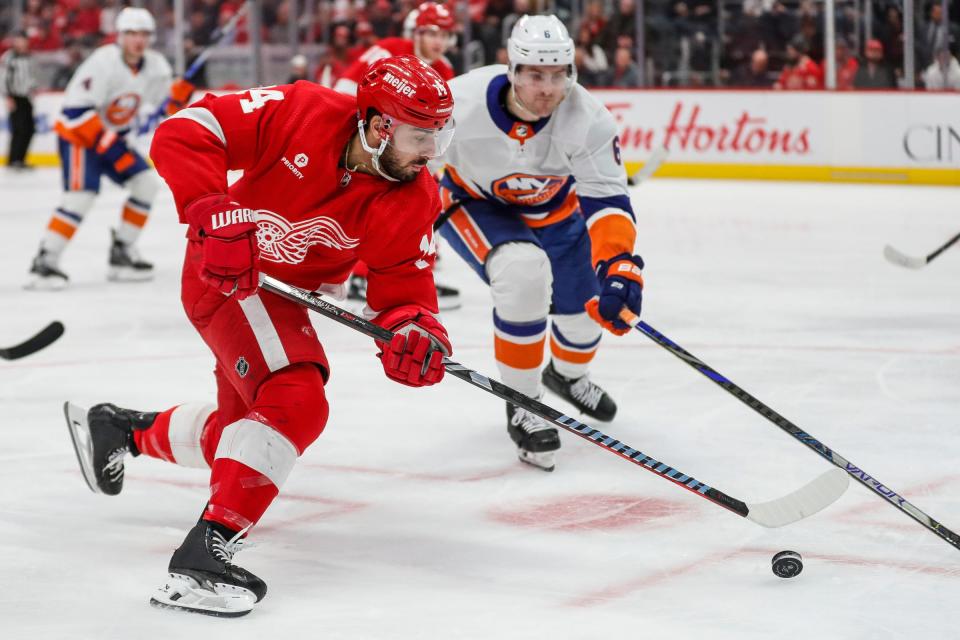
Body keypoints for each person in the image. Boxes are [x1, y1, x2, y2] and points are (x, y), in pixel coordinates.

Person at [64, 55, 455, 617]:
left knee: (239, 436)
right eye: (422, 136)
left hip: (280, 295)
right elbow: (186, 130)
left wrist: (415, 330)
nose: (430, 154)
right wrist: (210, 209)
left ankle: (121, 430)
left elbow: (403, 287)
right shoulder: (303, 110)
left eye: (440, 136)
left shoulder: (413, 194)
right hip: (225, 273)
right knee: (297, 398)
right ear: (379, 124)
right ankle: (205, 552)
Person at [433, 15, 643, 471]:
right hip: (475, 203)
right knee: (522, 273)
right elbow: (411, 161)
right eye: (534, 74)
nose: (547, 87)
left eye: (557, 74)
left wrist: (621, 265)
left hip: (557, 211)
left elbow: (607, 201)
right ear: (512, 70)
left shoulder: (588, 119)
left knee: (586, 309)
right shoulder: (459, 102)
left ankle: (567, 377)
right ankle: (523, 401)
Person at [25, 7, 195, 289]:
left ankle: (122, 252)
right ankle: (46, 259)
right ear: (120, 35)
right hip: (79, 137)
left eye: (143, 34)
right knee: (81, 196)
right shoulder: (102, 62)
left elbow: (164, 110)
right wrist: (112, 148)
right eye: (131, 33)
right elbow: (76, 111)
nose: (137, 40)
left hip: (114, 139)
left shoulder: (156, 66)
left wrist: (177, 99)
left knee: (145, 185)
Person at [334, 1, 462, 310]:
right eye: (432, 33)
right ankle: (363, 271)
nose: (439, 42)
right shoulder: (390, 48)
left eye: (445, 35)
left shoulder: (443, 69)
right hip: (365, 134)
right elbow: (346, 86)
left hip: (402, 145)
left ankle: (414, 266)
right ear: (415, 32)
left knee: (416, 199)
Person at [1, 30, 37, 170]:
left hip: (26, 97)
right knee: (18, 129)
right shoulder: (9, 58)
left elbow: (32, 76)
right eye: (18, 40)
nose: (20, 43)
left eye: (23, 40)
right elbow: (3, 78)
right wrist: (8, 96)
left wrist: (33, 88)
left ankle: (21, 158)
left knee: (29, 129)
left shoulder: (29, 57)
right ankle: (13, 159)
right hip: (15, 96)